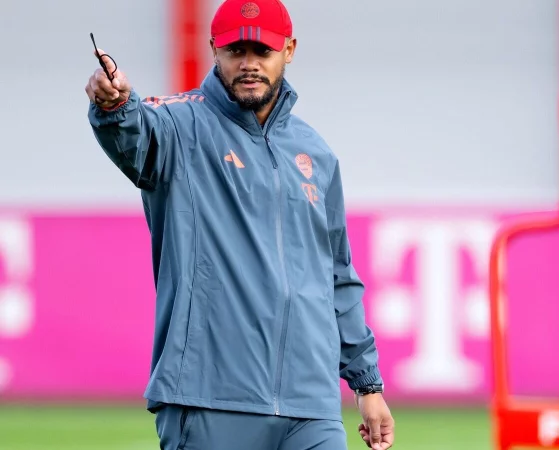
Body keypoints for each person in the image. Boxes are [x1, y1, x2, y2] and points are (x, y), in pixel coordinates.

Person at [84, 0, 394, 448]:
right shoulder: (178, 125)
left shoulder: (317, 154)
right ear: (214, 49)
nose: (248, 64)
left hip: (311, 406)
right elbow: (134, 132)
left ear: (289, 50)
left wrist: (368, 384)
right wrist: (114, 107)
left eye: (262, 51)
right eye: (235, 51)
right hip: (210, 397)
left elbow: (338, 277)